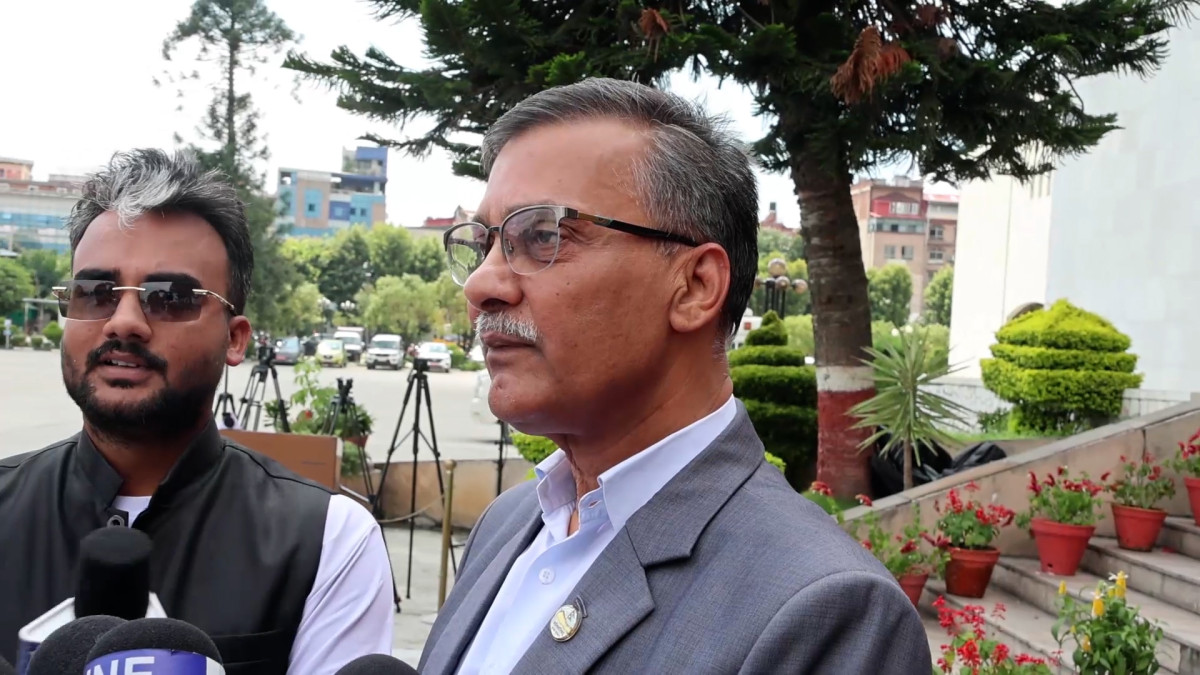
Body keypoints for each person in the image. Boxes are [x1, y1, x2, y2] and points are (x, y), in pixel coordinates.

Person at [422, 78, 931, 675]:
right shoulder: (506, 526)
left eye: (543, 236)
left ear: (694, 287)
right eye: (484, 244)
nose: (482, 284)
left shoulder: (825, 612)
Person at [0, 149, 395, 675]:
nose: (124, 322)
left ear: (235, 339)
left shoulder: (328, 540)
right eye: (95, 293)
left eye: (169, 297)